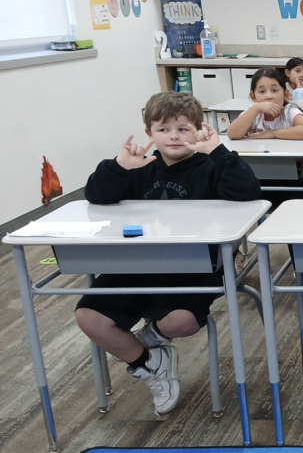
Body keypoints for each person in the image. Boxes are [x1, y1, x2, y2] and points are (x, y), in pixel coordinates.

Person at [75, 92, 261, 416]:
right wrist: (119, 167)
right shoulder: (138, 167)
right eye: (163, 129)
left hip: (194, 268)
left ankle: (151, 336)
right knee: (89, 317)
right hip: (135, 266)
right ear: (149, 133)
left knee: (182, 321)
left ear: (198, 130)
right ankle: (148, 363)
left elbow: (248, 193)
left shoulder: (211, 165)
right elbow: (96, 195)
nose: (173, 136)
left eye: (183, 129)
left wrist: (218, 152)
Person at [226, 67, 303, 140]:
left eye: (274, 90)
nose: (269, 96)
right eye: (262, 92)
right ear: (253, 97)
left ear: (285, 94)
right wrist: (256, 109)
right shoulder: (253, 112)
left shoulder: (289, 111)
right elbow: (232, 134)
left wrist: (272, 133)